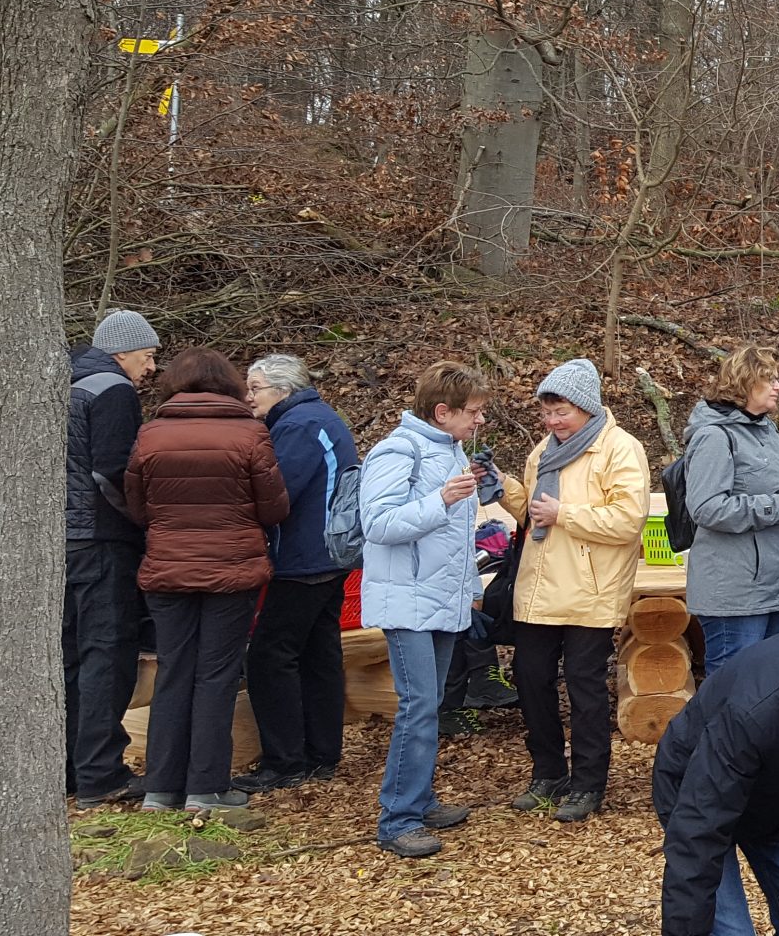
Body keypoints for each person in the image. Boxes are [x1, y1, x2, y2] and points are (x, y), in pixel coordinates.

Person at [123, 348, 288, 817]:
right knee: (215, 675)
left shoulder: (150, 434)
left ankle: (160, 787)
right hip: (230, 571)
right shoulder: (250, 433)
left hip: (167, 571)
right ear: (231, 385)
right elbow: (275, 507)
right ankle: (207, 787)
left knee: (174, 672)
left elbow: (137, 507)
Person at [360, 361, 501, 858]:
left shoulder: (451, 449)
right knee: (417, 707)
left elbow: (455, 536)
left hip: (441, 599)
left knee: (432, 703)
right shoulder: (396, 451)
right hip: (407, 601)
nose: (480, 420)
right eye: (474, 412)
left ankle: (417, 801)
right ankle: (397, 819)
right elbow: (376, 523)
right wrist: (442, 498)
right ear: (443, 412)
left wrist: (469, 587)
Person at [508, 358, 651, 822]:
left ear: (586, 407)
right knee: (531, 681)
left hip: (592, 591)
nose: (552, 421)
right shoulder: (543, 449)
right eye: (547, 412)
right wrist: (503, 490)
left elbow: (628, 521)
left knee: (584, 688)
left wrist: (564, 514)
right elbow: (533, 511)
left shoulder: (620, 449)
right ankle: (548, 773)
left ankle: (589, 783)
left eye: (561, 411)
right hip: (538, 589)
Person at [655, 620, 779, 936]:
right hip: (697, 792)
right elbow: (697, 834)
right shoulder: (754, 716)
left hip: (777, 805)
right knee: (731, 931)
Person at [234, 354, 358, 794]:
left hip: (304, 558)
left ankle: (285, 761)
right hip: (326, 556)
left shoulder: (299, 425)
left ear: (283, 389)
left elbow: (276, 492)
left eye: (256, 387)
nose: (249, 396)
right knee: (317, 654)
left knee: (269, 656)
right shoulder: (316, 417)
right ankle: (321, 754)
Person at [65, 308, 158, 809]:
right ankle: (101, 773)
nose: (148, 370)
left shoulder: (65, 383)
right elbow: (113, 472)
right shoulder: (112, 390)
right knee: (109, 652)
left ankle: (71, 766)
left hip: (62, 542)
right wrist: (144, 520)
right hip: (102, 538)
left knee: (74, 655)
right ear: (122, 352)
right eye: (146, 357)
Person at [684, 345, 779, 670]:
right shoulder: (714, 436)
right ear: (745, 383)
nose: (778, 387)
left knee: (761, 692)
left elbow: (773, 494)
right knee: (730, 696)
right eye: (769, 379)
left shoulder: (766, 430)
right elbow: (707, 508)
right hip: (735, 595)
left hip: (775, 587)